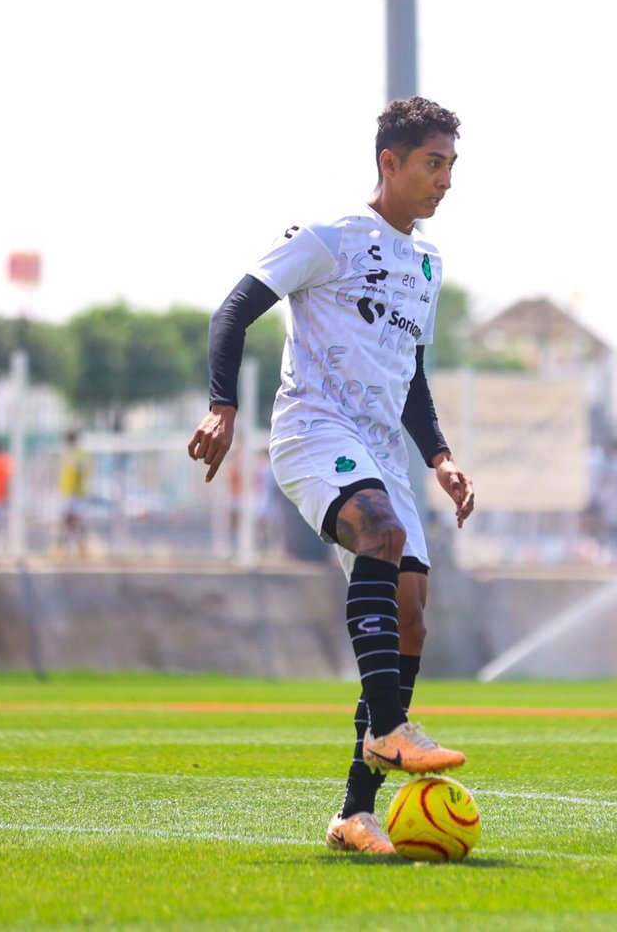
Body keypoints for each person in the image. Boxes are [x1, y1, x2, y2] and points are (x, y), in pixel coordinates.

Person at [188, 96, 476, 857]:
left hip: (384, 454)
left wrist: (439, 456)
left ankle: (356, 812)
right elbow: (232, 310)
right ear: (391, 162)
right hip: (314, 431)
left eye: (452, 165)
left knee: (413, 614)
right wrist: (222, 405)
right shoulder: (328, 238)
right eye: (433, 163)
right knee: (378, 533)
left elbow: (409, 375)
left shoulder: (428, 263)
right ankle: (389, 730)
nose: (446, 180)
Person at [57, 430, 90, 558]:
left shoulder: (78, 454)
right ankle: (71, 547)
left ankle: (80, 546)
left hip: (74, 494)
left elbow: (82, 468)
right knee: (69, 521)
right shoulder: (69, 454)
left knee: (73, 520)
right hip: (68, 493)